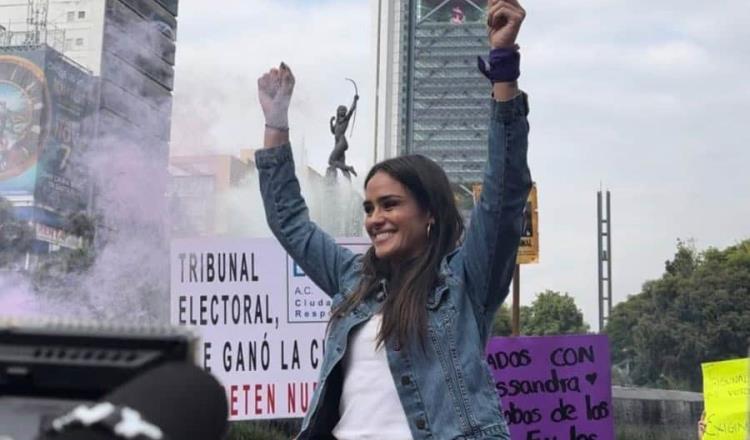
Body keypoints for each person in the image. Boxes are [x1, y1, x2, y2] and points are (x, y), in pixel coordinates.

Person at [255, 0, 529, 438]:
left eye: (390, 204)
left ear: (430, 216)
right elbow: (290, 223)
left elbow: (504, 193)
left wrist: (503, 67)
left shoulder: (465, 282)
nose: (374, 219)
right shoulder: (353, 279)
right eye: (368, 208)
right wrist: (275, 123)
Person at [328, 94, 359, 178]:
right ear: (337, 112)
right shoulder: (337, 122)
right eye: (340, 110)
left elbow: (351, 110)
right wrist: (331, 122)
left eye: (343, 110)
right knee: (341, 164)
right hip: (338, 142)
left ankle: (349, 168)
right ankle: (348, 183)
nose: (342, 111)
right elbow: (333, 132)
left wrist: (355, 100)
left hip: (342, 142)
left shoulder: (345, 119)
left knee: (331, 161)